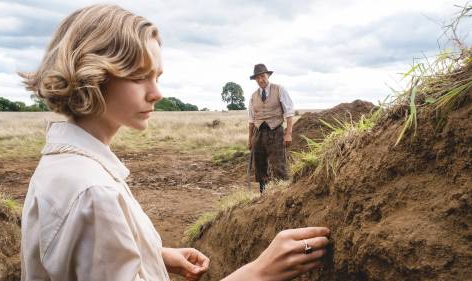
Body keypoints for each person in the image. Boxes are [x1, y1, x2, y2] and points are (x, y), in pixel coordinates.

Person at [20, 5, 329, 281]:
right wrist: (258, 273)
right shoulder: (93, 194)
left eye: (157, 76)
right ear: (93, 73)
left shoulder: (62, 164)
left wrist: (153, 255)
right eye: (139, 75)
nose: (157, 93)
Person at [248, 64, 294, 193]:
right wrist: (250, 139)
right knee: (260, 166)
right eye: (257, 78)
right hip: (258, 134)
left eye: (262, 76)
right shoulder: (253, 96)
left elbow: (289, 113)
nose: (260, 80)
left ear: (268, 75)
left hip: (276, 132)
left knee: (278, 165)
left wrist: (288, 134)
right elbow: (251, 120)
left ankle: (283, 193)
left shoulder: (279, 89)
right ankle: (264, 195)